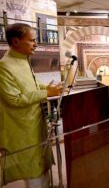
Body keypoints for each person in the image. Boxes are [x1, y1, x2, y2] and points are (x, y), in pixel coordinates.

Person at [0, 23, 63, 187]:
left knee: (41, 165)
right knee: (32, 170)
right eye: (32, 40)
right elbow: (14, 99)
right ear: (15, 41)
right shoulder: (4, 66)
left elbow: (32, 85)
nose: (36, 44)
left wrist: (50, 88)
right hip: (22, 128)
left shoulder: (23, 59)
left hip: (35, 123)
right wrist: (46, 93)